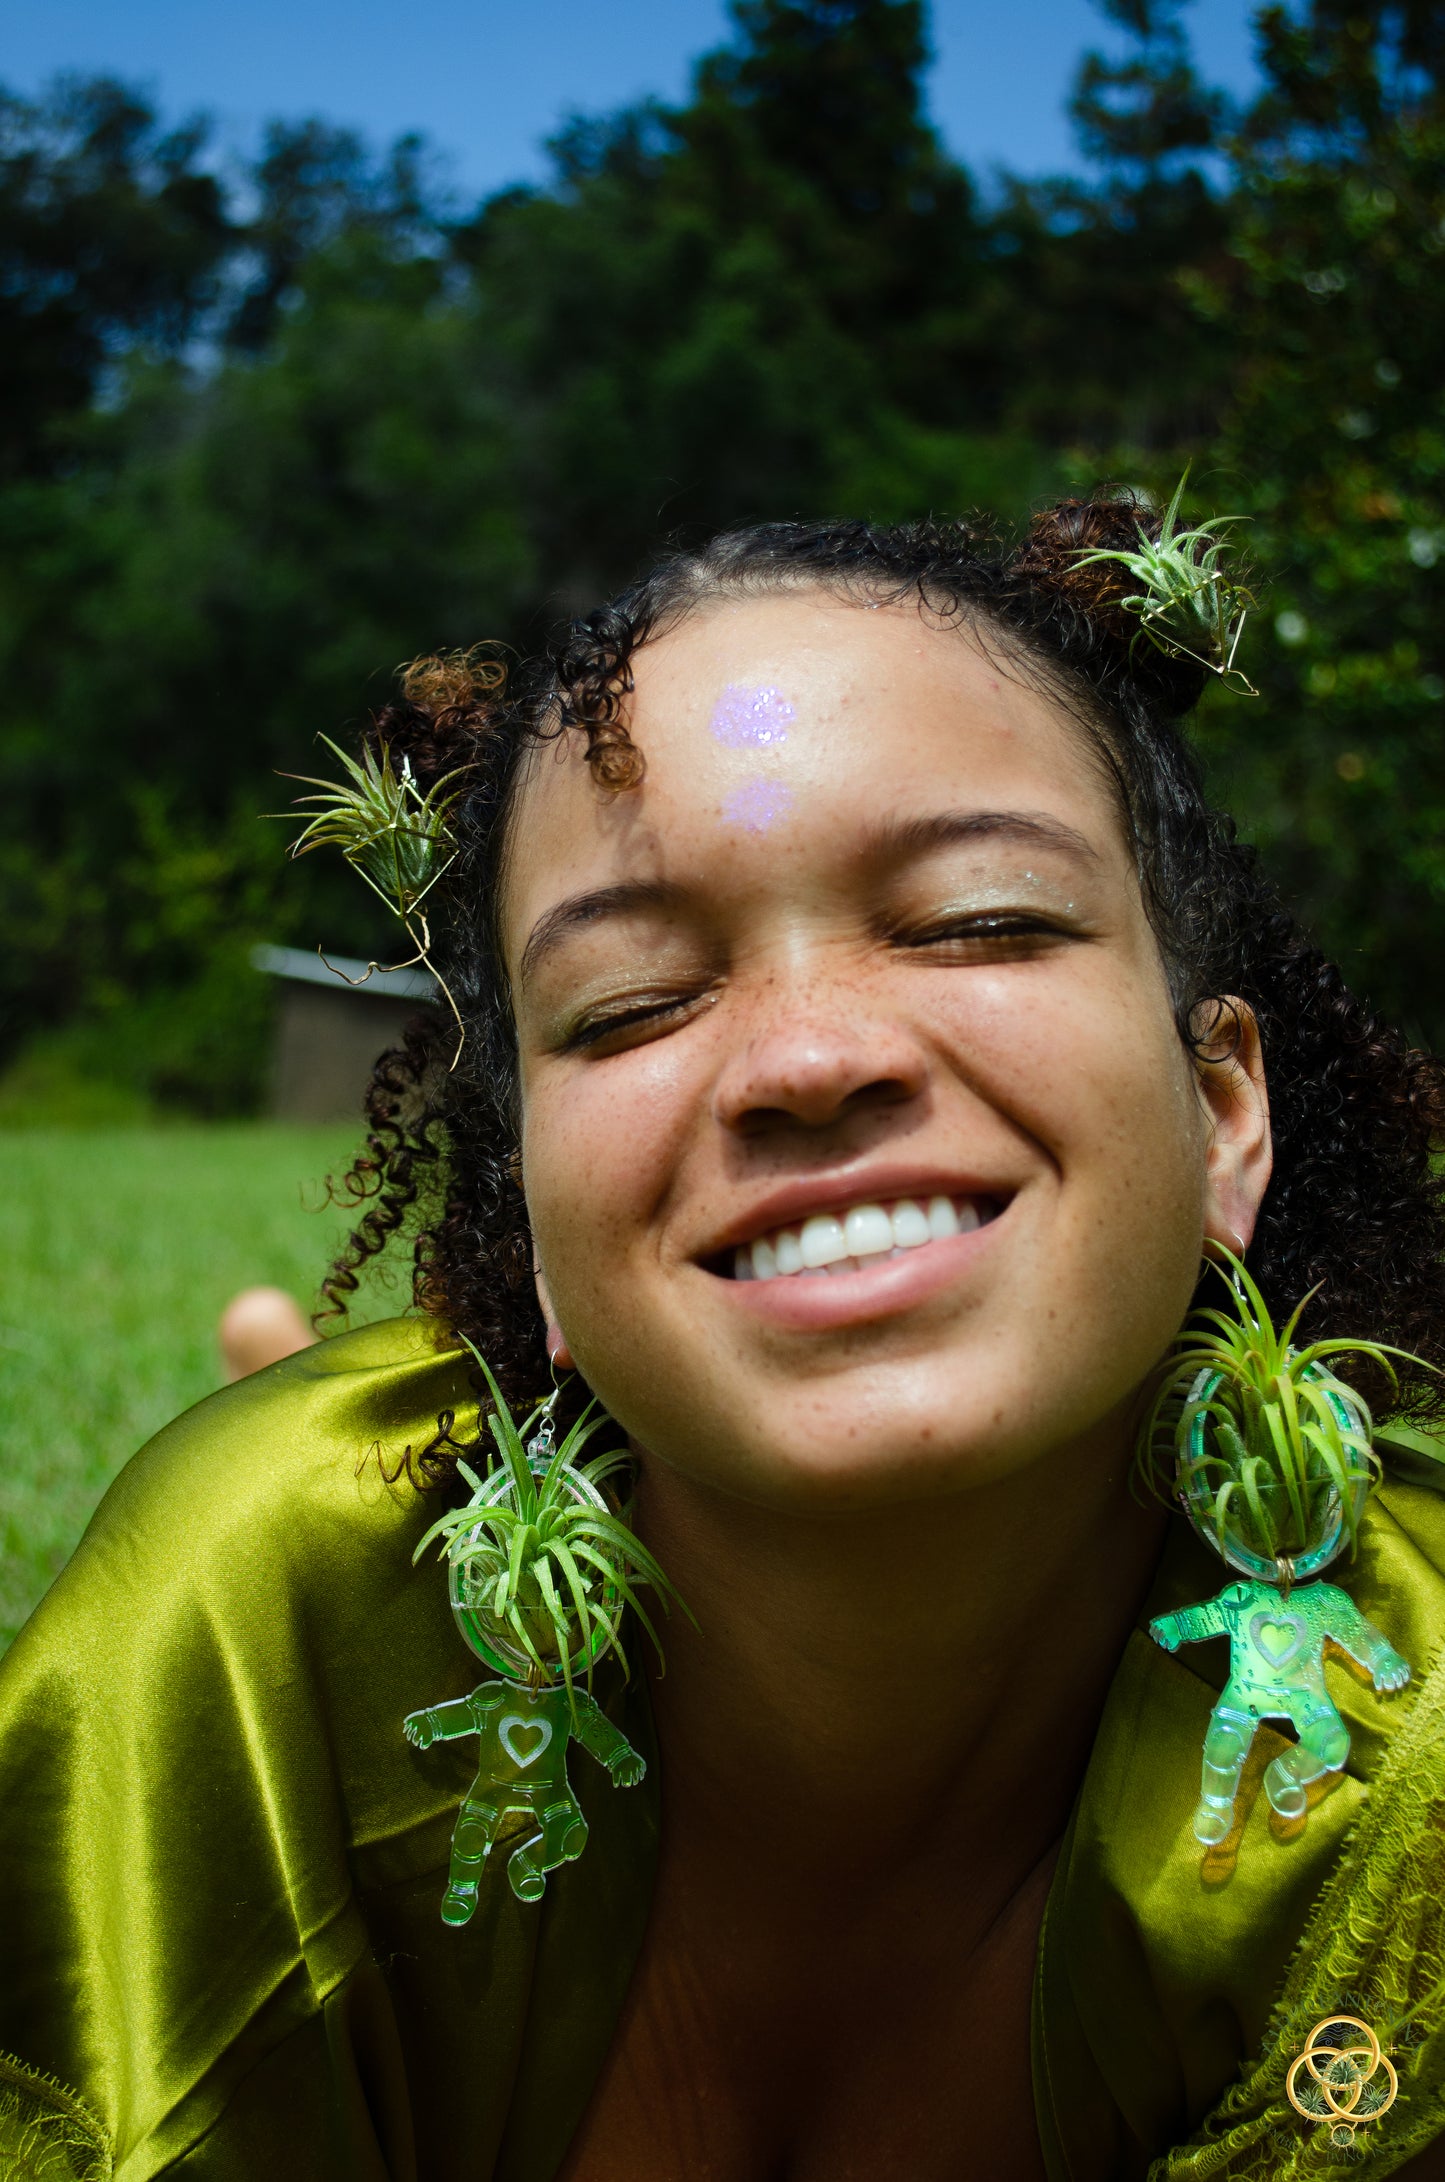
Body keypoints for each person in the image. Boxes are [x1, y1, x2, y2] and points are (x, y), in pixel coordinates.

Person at [4, 496, 1445, 2182]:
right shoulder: (257, 1654)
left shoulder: (1411, 1766)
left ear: (1222, 1113)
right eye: (630, 1004)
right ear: (534, 1234)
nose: (809, 1058)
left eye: (976, 918)